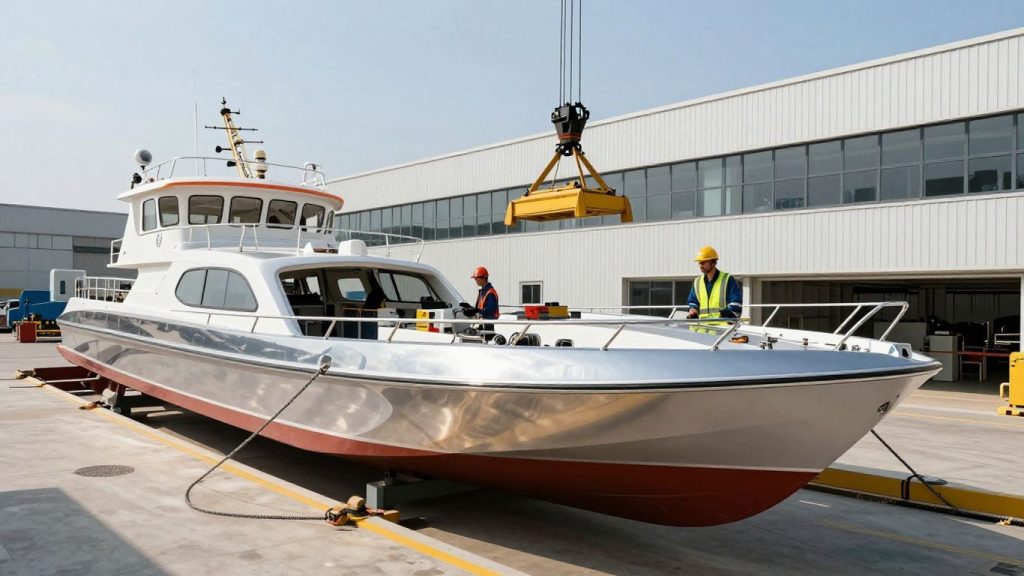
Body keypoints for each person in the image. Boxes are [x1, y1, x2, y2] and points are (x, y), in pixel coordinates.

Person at [687, 246, 742, 320]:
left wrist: (729, 315)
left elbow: (736, 303)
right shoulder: (697, 281)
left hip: (723, 328)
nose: (700, 265)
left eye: (703, 262)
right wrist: (693, 311)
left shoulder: (727, 279)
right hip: (703, 327)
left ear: (713, 263)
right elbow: (693, 302)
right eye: (699, 263)